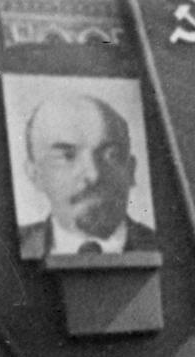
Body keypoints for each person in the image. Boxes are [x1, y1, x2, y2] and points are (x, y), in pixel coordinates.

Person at [19, 93, 157, 260]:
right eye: (67, 156)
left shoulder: (166, 246)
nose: (93, 175)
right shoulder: (11, 248)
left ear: (131, 170)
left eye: (110, 155)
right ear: (35, 174)